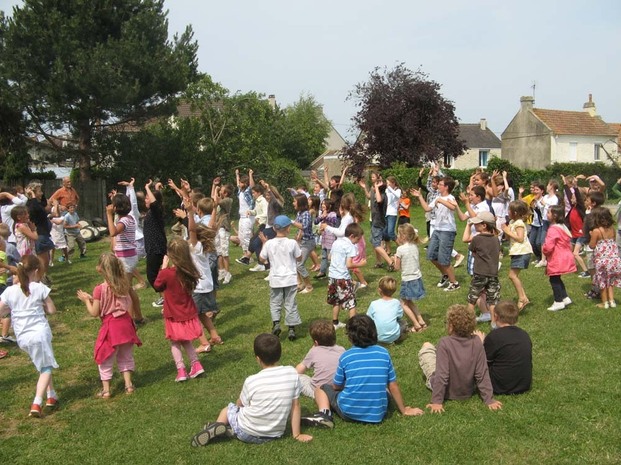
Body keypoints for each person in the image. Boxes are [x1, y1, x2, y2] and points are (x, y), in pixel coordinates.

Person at [302, 314, 423, 428]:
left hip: (348, 412)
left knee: (322, 388)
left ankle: (324, 413)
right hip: (378, 414)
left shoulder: (346, 356)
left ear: (350, 337)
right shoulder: (383, 353)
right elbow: (393, 385)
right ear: (374, 332)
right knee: (383, 389)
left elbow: (336, 386)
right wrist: (404, 410)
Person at [191, 333, 313, 446]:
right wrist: (297, 434)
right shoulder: (292, 373)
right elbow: (296, 406)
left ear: (258, 358)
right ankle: (226, 430)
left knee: (229, 409)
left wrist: (237, 407)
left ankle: (217, 427)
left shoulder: (252, 380)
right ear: (280, 354)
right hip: (274, 435)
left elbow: (241, 404)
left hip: (246, 434)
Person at [0, 255, 59, 417]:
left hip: (22, 337)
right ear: (36, 270)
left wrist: (13, 308)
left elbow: (1, 310)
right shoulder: (39, 288)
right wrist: (43, 305)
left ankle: (51, 396)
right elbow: (52, 310)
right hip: (39, 333)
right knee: (46, 367)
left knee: (42, 362)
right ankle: (37, 402)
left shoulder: (10, 291)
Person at [77, 253, 142, 398]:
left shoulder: (99, 289)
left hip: (111, 326)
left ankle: (106, 390)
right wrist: (132, 321)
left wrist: (87, 300)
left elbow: (95, 312)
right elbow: (129, 303)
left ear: (99, 269)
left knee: (105, 357)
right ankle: (129, 385)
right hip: (125, 323)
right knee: (126, 355)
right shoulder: (124, 283)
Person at [418, 304, 502, 413]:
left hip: (446, 391)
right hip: (468, 390)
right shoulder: (477, 341)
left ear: (451, 326)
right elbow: (482, 373)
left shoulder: (445, 343)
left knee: (426, 347)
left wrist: (437, 401)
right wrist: (489, 400)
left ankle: (429, 347)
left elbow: (442, 374)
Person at [182, 197, 222, 353]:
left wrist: (190, 212)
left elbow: (192, 230)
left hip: (198, 287)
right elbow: (210, 226)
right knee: (202, 314)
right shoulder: (204, 245)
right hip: (206, 285)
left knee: (192, 316)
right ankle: (215, 336)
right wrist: (214, 208)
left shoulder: (196, 246)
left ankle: (204, 343)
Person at [412, 176, 461, 291]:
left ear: (446, 187)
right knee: (431, 255)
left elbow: (453, 207)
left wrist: (440, 200)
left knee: (444, 259)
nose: (438, 186)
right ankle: (445, 275)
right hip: (438, 230)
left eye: (440, 184)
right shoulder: (438, 197)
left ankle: (454, 283)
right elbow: (427, 208)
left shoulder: (450, 197)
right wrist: (419, 197)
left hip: (447, 231)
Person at [259, 215, 303, 341]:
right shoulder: (292, 243)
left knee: (275, 302)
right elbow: (299, 258)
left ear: (274, 228)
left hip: (275, 278)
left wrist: (263, 243)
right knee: (290, 303)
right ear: (288, 228)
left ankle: (276, 323)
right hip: (290, 278)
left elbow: (262, 259)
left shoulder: (269, 244)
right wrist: (298, 242)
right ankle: (291, 329)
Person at [474, 301, 532, 395]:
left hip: (499, 386)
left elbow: (484, 360)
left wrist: (480, 344)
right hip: (524, 384)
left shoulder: (494, 337)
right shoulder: (524, 334)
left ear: (495, 316)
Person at [106, 192, 144, 323]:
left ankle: (130, 320)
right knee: (128, 289)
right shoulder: (129, 218)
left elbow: (112, 232)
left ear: (116, 208)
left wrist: (109, 215)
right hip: (128, 256)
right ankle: (138, 317)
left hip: (126, 259)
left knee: (125, 291)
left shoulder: (124, 221)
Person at [462, 211, 501, 324]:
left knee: (472, 297)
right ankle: (494, 323)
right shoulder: (496, 239)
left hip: (479, 273)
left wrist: (468, 225)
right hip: (493, 274)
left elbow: (471, 248)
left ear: (484, 225)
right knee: (492, 300)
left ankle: (467, 322)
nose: (475, 225)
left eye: (477, 224)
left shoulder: (477, 239)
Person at [327, 223, 365, 329]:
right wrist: (360, 264)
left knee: (336, 300)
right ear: (352, 236)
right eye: (358, 239)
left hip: (332, 276)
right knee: (351, 301)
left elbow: (329, 257)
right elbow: (349, 265)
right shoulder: (350, 246)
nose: (358, 241)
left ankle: (335, 323)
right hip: (343, 277)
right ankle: (352, 326)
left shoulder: (336, 242)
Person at [295, 319, 345, 399]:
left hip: (318, 391)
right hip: (339, 388)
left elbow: (299, 370)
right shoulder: (341, 350)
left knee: (299, 378)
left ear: (316, 342)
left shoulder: (314, 351)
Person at [542, 205, 576, 311]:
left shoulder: (553, 229)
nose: (547, 214)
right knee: (557, 278)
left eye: (548, 213)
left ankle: (558, 301)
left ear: (555, 215)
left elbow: (549, 246)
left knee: (554, 280)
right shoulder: (563, 227)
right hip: (565, 256)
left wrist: (544, 250)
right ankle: (565, 297)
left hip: (557, 258)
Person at [393, 223, 427, 332]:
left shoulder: (400, 249)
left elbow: (396, 267)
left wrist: (394, 258)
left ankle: (416, 325)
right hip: (417, 278)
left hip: (407, 280)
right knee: (409, 301)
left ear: (403, 236)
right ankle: (421, 320)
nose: (397, 236)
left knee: (403, 303)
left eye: (398, 234)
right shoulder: (414, 246)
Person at [501, 201, 533, 311]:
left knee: (512, 275)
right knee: (513, 275)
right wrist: (505, 230)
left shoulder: (519, 223)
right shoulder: (512, 222)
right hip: (516, 252)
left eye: (509, 210)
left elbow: (520, 238)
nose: (507, 212)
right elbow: (508, 238)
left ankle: (522, 298)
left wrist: (507, 231)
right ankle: (524, 297)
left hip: (522, 252)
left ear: (515, 212)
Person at [589, 207, 621, 308]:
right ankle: (612, 301)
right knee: (610, 281)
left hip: (602, 260)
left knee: (602, 281)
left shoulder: (596, 231)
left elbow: (592, 245)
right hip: (614, 259)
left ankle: (604, 302)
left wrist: (591, 235)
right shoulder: (612, 229)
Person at [367, 276, 407, 344]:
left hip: (376, 337)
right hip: (394, 336)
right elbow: (400, 316)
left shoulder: (374, 303)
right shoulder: (396, 302)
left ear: (379, 290)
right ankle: (394, 338)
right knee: (403, 323)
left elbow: (368, 318)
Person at [211, 178, 234, 284]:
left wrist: (216, 190)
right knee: (218, 251)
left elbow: (216, 201)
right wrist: (214, 186)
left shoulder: (228, 200)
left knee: (224, 252)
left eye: (222, 190)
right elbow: (213, 199)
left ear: (225, 193)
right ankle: (221, 271)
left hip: (224, 228)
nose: (220, 191)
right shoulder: (221, 198)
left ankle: (228, 273)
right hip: (218, 227)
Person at [291, 194, 314, 294]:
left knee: (299, 265)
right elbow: (299, 227)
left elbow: (304, 226)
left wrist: (290, 221)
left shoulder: (306, 214)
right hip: (301, 241)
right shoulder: (299, 213)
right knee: (294, 262)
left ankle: (309, 286)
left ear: (300, 202)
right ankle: (300, 284)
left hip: (307, 242)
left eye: (294, 201)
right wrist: (297, 237)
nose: (293, 203)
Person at [314, 198, 338, 279]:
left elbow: (334, 221)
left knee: (330, 257)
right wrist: (322, 217)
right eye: (322, 203)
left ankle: (333, 272)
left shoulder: (333, 214)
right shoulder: (323, 214)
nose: (322, 205)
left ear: (330, 206)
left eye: (324, 203)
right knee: (324, 256)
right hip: (324, 239)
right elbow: (315, 221)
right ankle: (322, 271)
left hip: (331, 239)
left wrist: (325, 216)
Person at [235, 169, 255, 261]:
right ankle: (245, 254)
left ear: (245, 183)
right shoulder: (240, 192)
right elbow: (237, 184)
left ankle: (248, 257)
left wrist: (250, 174)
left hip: (248, 216)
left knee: (247, 236)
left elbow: (252, 186)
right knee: (241, 236)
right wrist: (237, 174)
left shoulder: (248, 191)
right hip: (242, 217)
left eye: (241, 182)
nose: (239, 184)